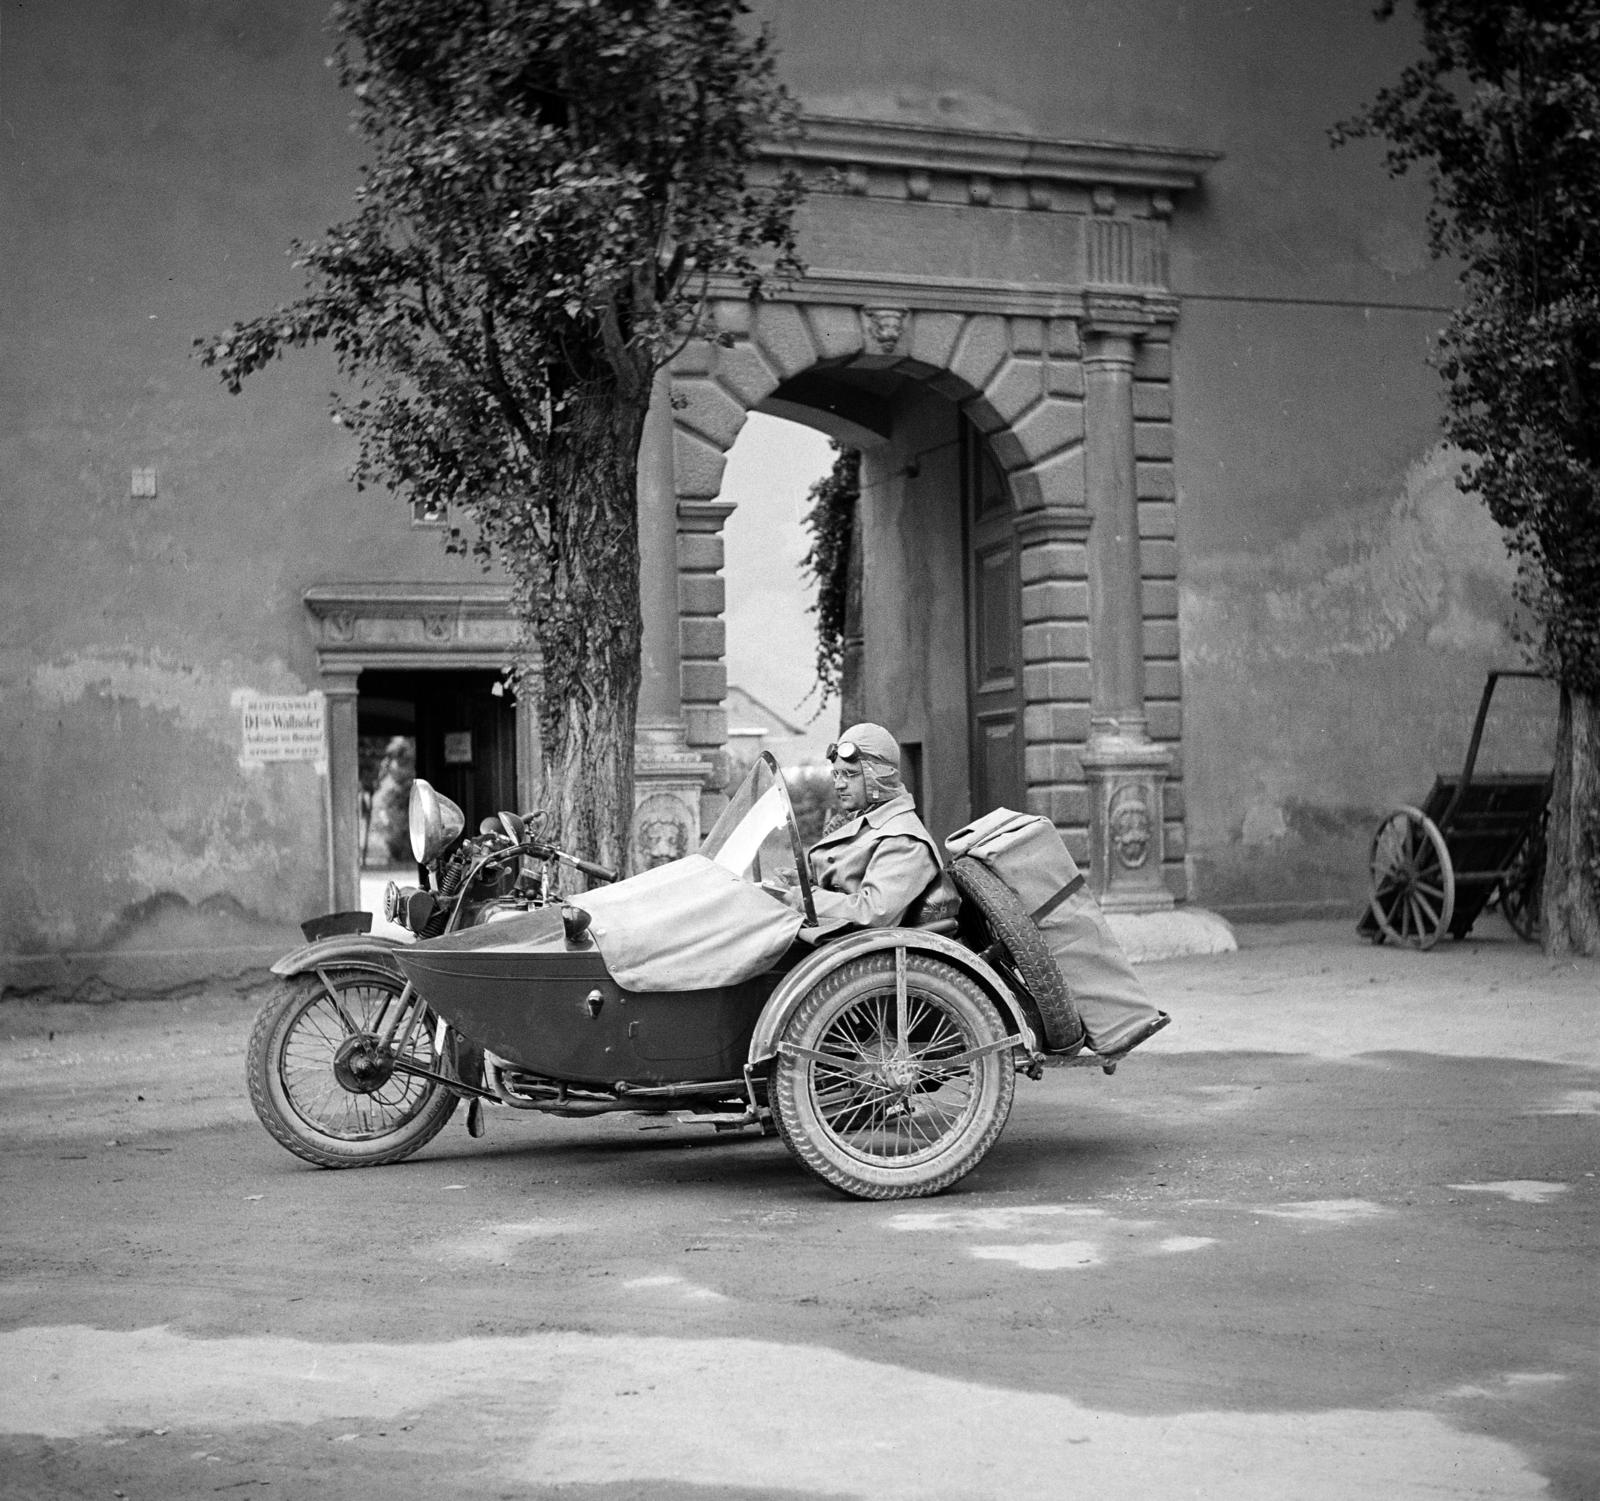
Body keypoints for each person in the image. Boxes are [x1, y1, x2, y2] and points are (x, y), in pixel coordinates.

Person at [789, 722, 958, 933]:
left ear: (877, 777)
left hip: (854, 947)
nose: (839, 784)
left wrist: (805, 899)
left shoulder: (903, 840)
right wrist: (802, 884)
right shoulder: (868, 822)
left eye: (850, 774)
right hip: (832, 933)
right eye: (836, 774)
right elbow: (847, 880)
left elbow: (871, 912)